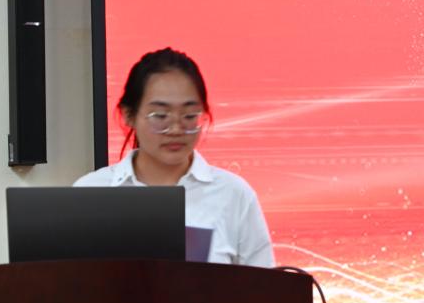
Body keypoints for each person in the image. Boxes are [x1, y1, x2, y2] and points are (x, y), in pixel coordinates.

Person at [74, 47, 274, 268]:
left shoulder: (233, 194)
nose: (176, 129)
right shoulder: (91, 192)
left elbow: (264, 285)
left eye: (189, 116)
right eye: (160, 116)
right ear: (128, 115)